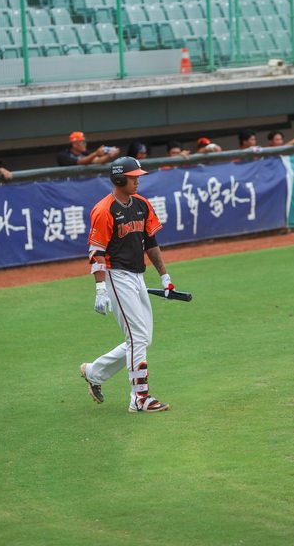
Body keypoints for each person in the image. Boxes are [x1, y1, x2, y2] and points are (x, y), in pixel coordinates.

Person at [80, 156, 174, 413]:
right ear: (119, 179)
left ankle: (94, 372)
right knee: (137, 338)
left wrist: (165, 276)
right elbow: (96, 252)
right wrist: (100, 288)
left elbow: (151, 243)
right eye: (133, 177)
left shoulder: (142, 204)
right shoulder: (104, 210)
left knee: (143, 339)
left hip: (138, 276)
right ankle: (139, 398)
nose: (138, 181)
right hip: (116, 276)